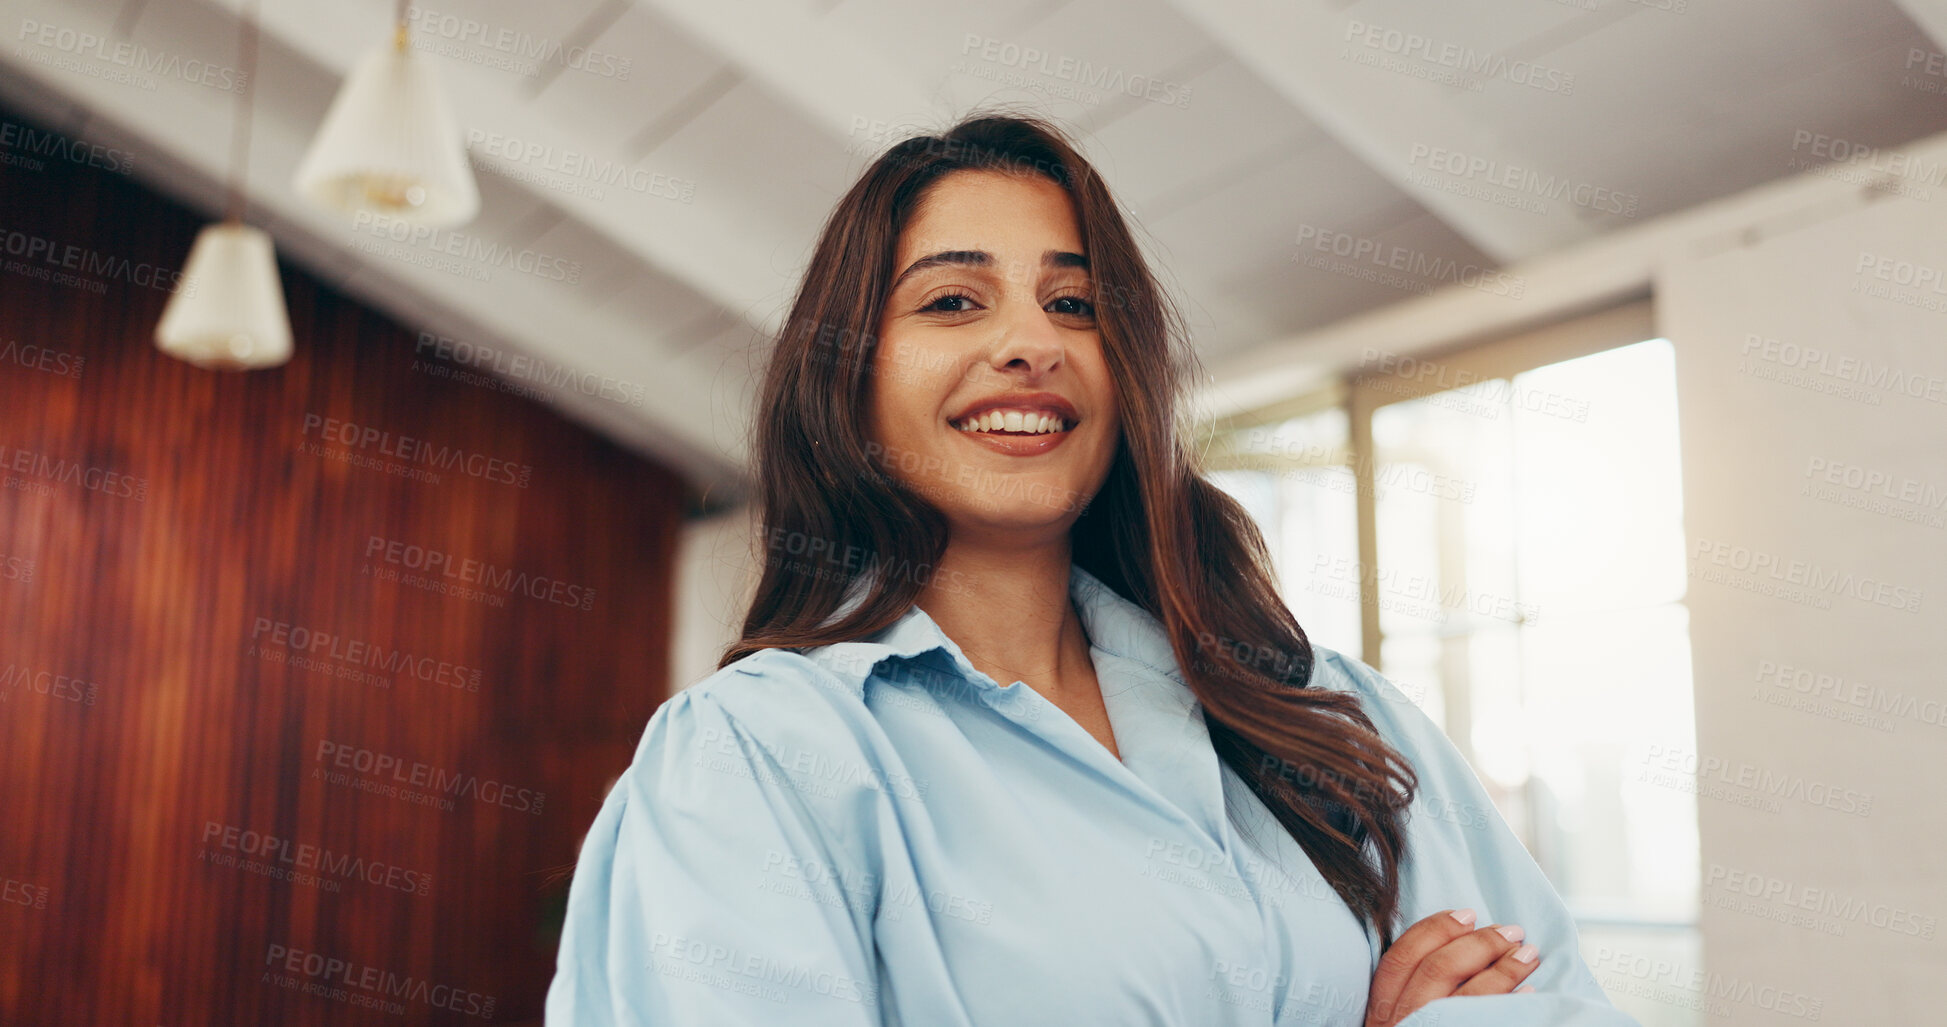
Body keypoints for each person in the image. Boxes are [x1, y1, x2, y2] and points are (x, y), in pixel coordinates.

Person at [546, 114, 1638, 1026]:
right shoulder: (756, 762)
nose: (1033, 341)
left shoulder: (1336, 717)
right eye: (952, 301)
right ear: (847, 377)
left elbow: (1549, 999)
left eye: (1075, 303)